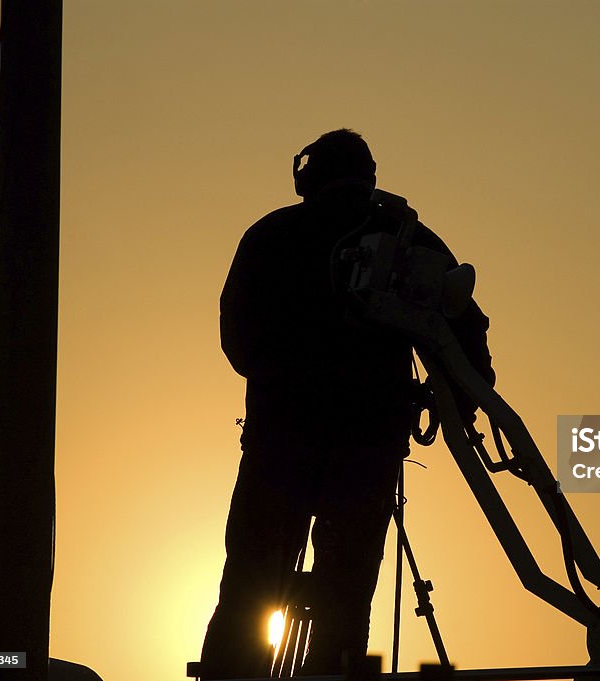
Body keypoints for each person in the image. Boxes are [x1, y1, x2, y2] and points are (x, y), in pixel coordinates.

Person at [200, 129, 494, 679]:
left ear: (307, 178)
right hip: (365, 453)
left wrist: (291, 380)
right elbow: (464, 337)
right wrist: (452, 399)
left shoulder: (271, 237)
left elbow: (237, 341)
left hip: (280, 449)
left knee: (250, 586)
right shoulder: (408, 238)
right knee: (345, 597)